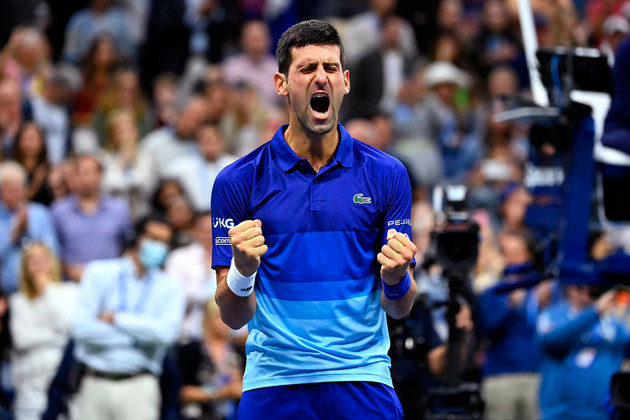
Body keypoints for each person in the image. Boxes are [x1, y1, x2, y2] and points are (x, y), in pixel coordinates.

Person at [211, 20, 417, 419]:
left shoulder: (388, 174)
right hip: (274, 384)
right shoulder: (237, 181)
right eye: (307, 68)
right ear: (281, 84)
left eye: (330, 67)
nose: (321, 77)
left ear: (346, 81)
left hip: (363, 380)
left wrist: (396, 279)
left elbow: (400, 308)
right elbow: (232, 316)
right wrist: (242, 271)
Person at [70, 214, 185, 420]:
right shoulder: (99, 272)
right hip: (94, 382)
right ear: (136, 237)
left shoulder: (171, 287)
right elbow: (82, 330)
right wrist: (140, 340)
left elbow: (166, 336)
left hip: (139, 385)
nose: (158, 247)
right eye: (153, 238)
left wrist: (117, 319)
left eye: (164, 242)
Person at [537, 284, 630, 420]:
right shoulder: (553, 314)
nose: (589, 290)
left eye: (593, 286)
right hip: (561, 413)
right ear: (570, 288)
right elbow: (552, 341)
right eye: (581, 286)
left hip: (601, 413)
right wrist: (595, 311)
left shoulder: (612, 322)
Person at [10, 242, 78, 420]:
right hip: (29, 384)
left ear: (52, 262)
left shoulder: (70, 292)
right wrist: (56, 337)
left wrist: (47, 290)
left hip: (62, 381)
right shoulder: (18, 301)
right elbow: (22, 339)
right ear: (25, 268)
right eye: (32, 261)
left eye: (43, 259)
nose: (38, 265)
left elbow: (69, 326)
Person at [51, 154, 131, 281]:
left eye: (88, 172)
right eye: (80, 173)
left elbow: (128, 245)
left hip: (111, 281)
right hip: (72, 283)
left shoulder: (119, 209)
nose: (84, 177)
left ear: (99, 175)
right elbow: (53, 248)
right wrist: (67, 269)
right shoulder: (59, 211)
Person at [177, 299, 244, 420]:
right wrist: (221, 392)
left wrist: (239, 387)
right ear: (207, 318)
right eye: (219, 317)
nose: (225, 322)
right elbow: (181, 392)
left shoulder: (239, 352)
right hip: (196, 415)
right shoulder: (191, 350)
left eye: (230, 316)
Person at [0, 161, 59, 294]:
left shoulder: (40, 213)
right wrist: (15, 234)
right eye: (10, 188)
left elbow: (53, 251)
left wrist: (28, 231)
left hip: (42, 290)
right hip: (8, 292)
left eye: (19, 187)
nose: (16, 192)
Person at [166, 211, 217, 343]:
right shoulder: (179, 257)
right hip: (186, 333)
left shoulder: (233, 258)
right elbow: (173, 296)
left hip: (224, 335)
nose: (208, 235)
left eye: (212, 230)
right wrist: (207, 296)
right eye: (204, 230)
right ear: (194, 231)